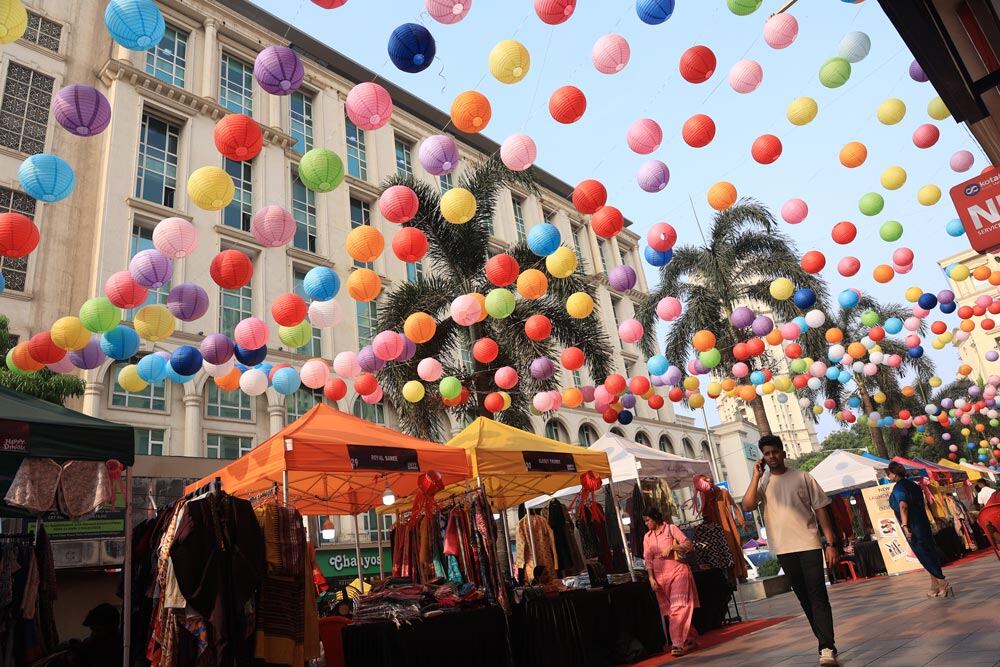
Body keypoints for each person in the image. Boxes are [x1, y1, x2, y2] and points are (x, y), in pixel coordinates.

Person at [741, 435, 840, 667]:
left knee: (817, 594)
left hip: (809, 543)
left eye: (775, 452)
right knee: (804, 597)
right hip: (784, 548)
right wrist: (756, 476)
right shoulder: (763, 483)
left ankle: (826, 646)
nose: (772, 456)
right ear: (762, 457)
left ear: (783, 453)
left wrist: (831, 543)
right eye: (766, 453)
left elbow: (821, 511)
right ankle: (825, 644)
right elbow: (747, 505)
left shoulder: (803, 477)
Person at [886, 461, 953, 598]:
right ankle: (934, 585)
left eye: (889, 474)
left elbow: (903, 506)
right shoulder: (913, 485)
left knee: (923, 552)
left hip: (912, 525)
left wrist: (905, 526)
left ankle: (942, 581)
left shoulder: (899, 487)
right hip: (922, 521)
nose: (889, 477)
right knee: (929, 551)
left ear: (893, 474)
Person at [641, 507, 699, 657]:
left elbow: (688, 544)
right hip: (660, 578)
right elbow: (647, 560)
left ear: (655, 518)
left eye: (648, 520)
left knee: (678, 607)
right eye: (645, 521)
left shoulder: (671, 529)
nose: (646, 523)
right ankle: (690, 638)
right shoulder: (647, 537)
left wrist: (673, 546)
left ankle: (677, 643)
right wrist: (651, 578)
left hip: (678, 572)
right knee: (670, 612)